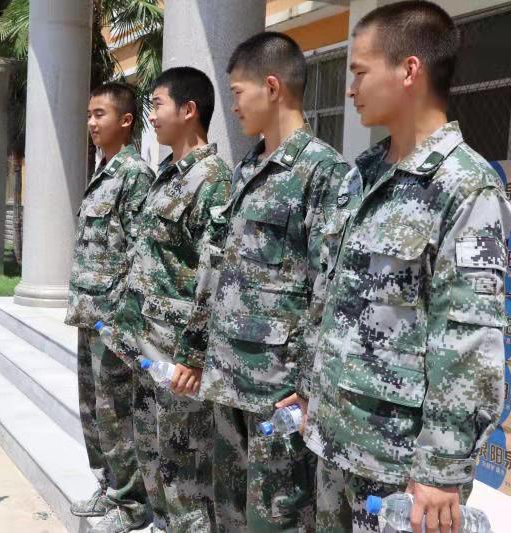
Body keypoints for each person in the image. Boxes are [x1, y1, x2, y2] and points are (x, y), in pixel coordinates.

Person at [300, 2, 511, 532]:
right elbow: (330, 295)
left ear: (409, 70)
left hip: (402, 468)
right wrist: (308, 387)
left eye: (359, 72)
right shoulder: (363, 174)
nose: (351, 89)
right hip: (334, 437)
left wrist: (442, 468)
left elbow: (470, 337)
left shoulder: (466, 186)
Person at [174, 32, 350, 531]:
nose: (232, 107)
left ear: (272, 87)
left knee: (277, 518)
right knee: (230, 513)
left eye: (237, 93)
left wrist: (310, 386)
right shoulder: (247, 168)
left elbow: (329, 290)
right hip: (228, 375)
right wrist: (196, 350)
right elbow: (217, 269)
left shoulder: (323, 172)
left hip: (279, 389)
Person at [112, 67, 231, 532]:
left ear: (188, 110)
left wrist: (194, 355)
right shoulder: (166, 174)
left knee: (185, 473)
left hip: (177, 357)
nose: (152, 115)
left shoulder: (213, 180)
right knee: (153, 462)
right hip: (146, 345)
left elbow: (213, 276)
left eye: (158, 104)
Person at [65, 82, 155, 533]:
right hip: (89, 313)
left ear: (126, 120)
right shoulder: (104, 170)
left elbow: (141, 253)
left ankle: (132, 503)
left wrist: (125, 320)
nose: (91, 123)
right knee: (93, 410)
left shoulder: (134, 175)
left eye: (99, 114)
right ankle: (108, 486)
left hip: (114, 320)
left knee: (115, 412)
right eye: (89, 115)